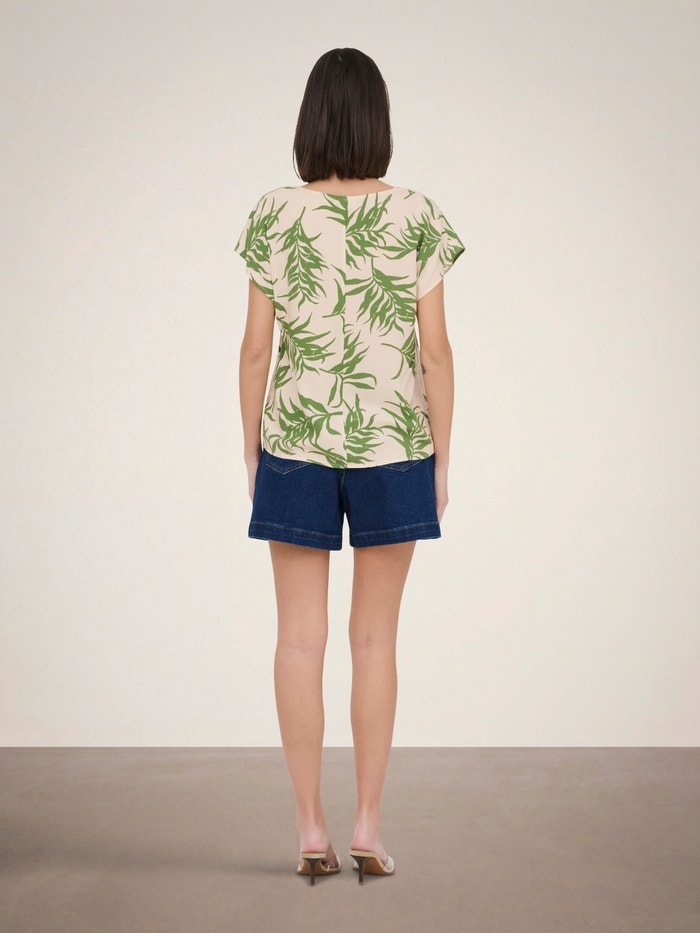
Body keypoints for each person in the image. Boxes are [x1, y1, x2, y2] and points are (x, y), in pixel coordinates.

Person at [234, 47, 465, 885]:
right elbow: (435, 352)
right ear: (378, 120)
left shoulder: (274, 213)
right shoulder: (416, 213)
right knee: (376, 639)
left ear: (310, 120)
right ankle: (368, 824)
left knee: (299, 640)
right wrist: (442, 456)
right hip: (393, 444)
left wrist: (252, 448)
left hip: (295, 442)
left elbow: (254, 349)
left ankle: (310, 831)